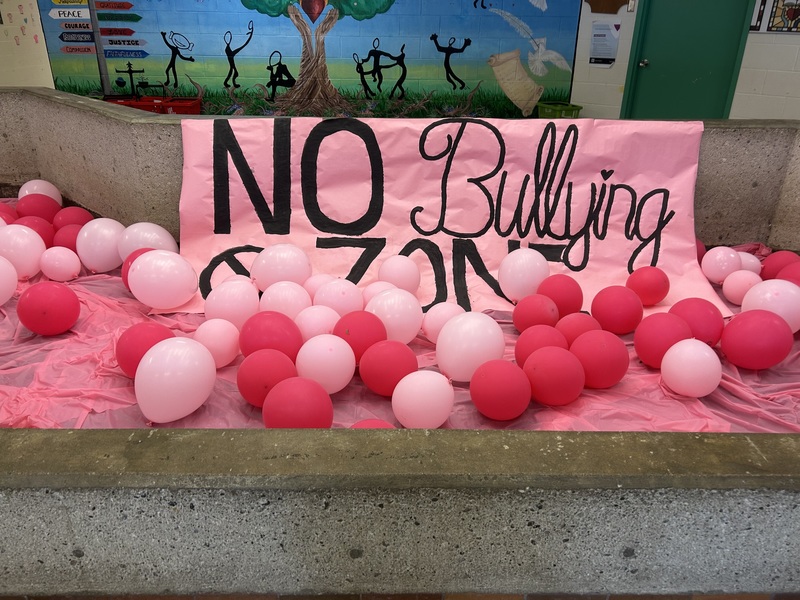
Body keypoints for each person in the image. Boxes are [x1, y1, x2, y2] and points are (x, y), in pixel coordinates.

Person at [223, 21, 254, 89]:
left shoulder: (229, 51)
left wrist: (250, 36)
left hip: (231, 63)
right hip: (232, 63)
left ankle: (227, 82)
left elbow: (243, 45)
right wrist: (250, 36)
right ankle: (231, 83)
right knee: (234, 72)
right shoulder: (229, 51)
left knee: (232, 72)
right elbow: (243, 45)